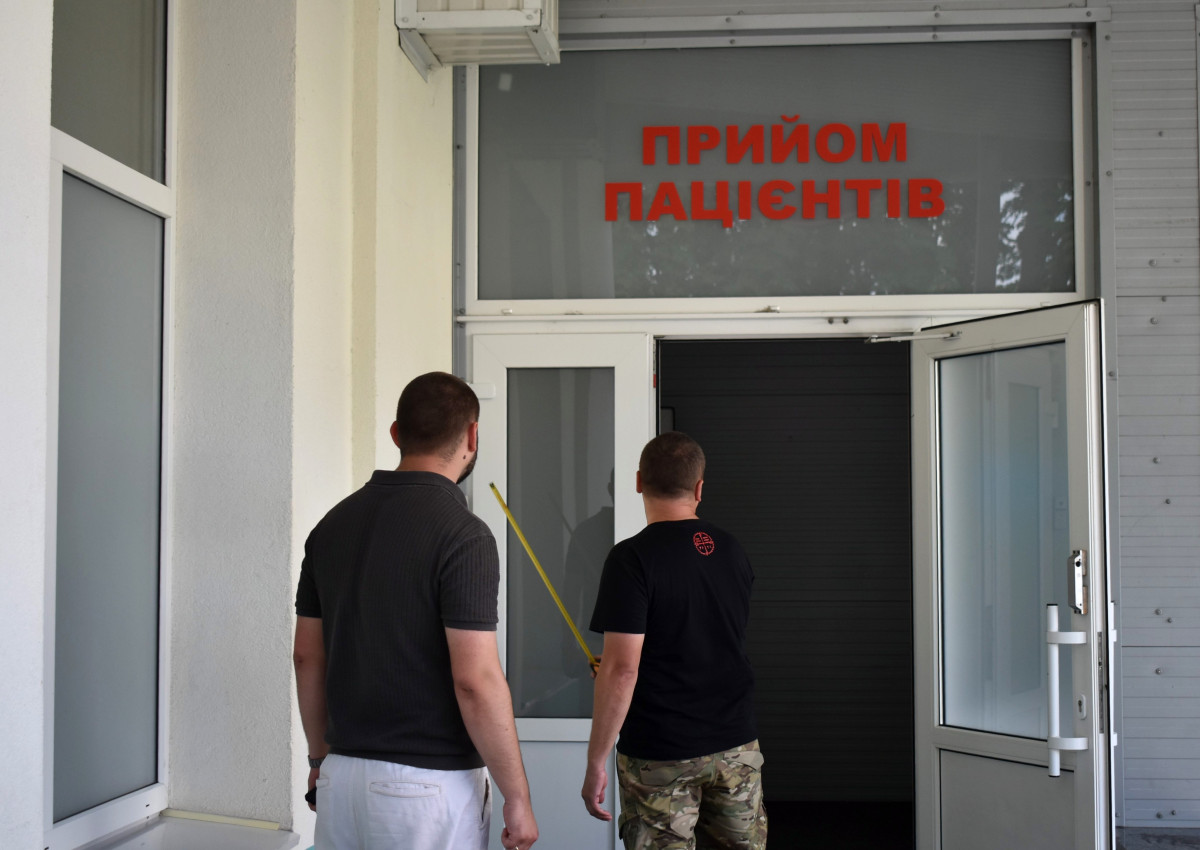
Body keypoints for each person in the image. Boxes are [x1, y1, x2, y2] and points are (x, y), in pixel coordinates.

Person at [294, 371, 538, 850]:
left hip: (339, 779)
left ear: (395, 433)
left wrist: (319, 761)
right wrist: (518, 796)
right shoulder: (464, 535)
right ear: (472, 436)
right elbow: (475, 680)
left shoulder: (330, 527)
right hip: (427, 790)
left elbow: (307, 657)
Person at [581, 431, 767, 849]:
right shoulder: (731, 549)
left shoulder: (631, 559)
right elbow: (706, 636)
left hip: (661, 754)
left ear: (638, 482)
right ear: (699, 488)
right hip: (736, 746)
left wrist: (595, 761)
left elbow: (621, 669)